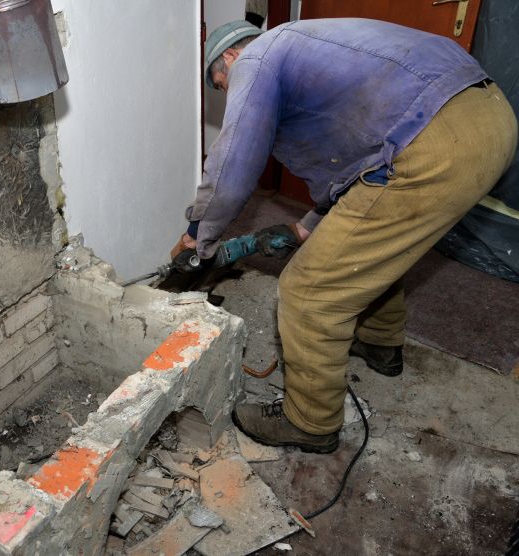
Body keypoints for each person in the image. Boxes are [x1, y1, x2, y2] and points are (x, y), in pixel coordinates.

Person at [173, 19, 517, 453]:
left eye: (221, 85)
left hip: (434, 141)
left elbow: (232, 162)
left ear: (230, 58)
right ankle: (379, 345)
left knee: (309, 290)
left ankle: (310, 422)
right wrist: (304, 229)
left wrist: (197, 236)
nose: (228, 93)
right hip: (487, 118)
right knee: (366, 248)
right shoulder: (314, 48)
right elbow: (350, 181)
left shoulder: (258, 58)